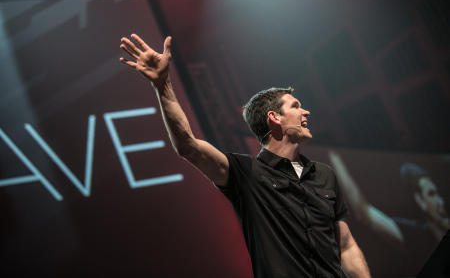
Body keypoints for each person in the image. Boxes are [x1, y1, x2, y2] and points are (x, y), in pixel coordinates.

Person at [119, 34, 371, 278]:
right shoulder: (246, 173)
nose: (305, 112)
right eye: (295, 106)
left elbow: (345, 246)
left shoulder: (324, 175)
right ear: (274, 118)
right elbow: (188, 146)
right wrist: (163, 85)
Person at [328, 151, 450, 276]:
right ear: (420, 201)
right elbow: (365, 213)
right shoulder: (417, 236)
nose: (441, 201)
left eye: (438, 193)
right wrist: (334, 155)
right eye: (431, 194)